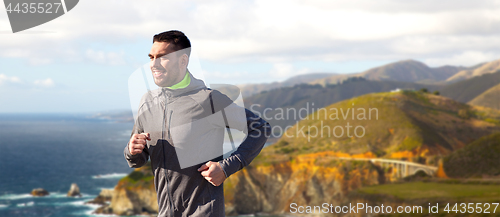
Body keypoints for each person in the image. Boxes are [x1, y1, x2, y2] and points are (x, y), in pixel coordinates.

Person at [124, 30, 270, 217]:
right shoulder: (147, 102)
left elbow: (260, 128)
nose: (154, 64)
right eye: (151, 57)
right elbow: (137, 158)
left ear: (183, 61)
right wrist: (132, 150)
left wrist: (227, 168)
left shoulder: (208, 99)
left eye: (162, 57)